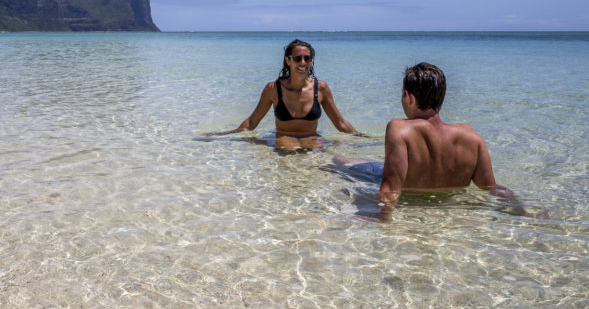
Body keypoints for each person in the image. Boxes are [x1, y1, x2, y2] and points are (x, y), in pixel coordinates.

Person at [334, 62, 528, 221]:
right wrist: (523, 211)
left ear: (408, 97)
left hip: (409, 193)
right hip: (449, 200)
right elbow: (490, 188)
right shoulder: (471, 136)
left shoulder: (399, 128)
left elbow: (390, 189)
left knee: (338, 161)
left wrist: (382, 218)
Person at [205, 39, 362, 152]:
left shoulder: (321, 88)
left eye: (307, 58)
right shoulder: (273, 89)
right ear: (288, 61)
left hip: (312, 138)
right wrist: (222, 135)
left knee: (319, 157)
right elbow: (252, 121)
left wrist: (364, 139)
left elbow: (340, 123)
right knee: (289, 150)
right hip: (283, 138)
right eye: (297, 58)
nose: (302, 62)